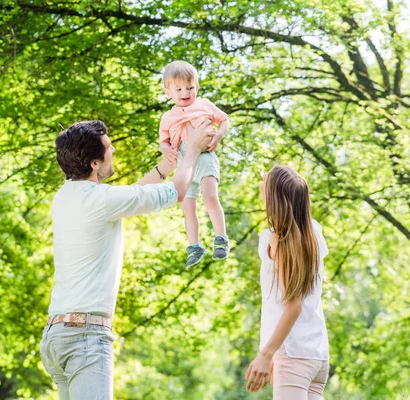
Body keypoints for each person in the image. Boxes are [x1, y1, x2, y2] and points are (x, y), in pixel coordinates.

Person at [39, 119, 213, 400]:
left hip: (57, 336)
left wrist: (167, 165)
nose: (114, 151)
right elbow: (178, 191)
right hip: (85, 336)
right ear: (95, 163)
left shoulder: (66, 197)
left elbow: (130, 195)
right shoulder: (100, 201)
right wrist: (192, 149)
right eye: (108, 147)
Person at [245, 165, 330, 399]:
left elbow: (294, 305)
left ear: (274, 199)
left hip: (293, 355)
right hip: (317, 356)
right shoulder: (313, 233)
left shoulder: (279, 241)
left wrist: (266, 354)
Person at [159, 60, 230, 267]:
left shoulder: (204, 104)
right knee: (188, 206)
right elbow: (163, 141)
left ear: (197, 86)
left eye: (190, 87)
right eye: (179, 89)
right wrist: (165, 149)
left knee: (210, 196)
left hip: (205, 156)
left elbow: (224, 119)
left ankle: (221, 238)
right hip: (184, 163)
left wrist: (218, 137)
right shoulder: (167, 117)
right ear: (168, 92)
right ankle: (195, 246)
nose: (185, 92)